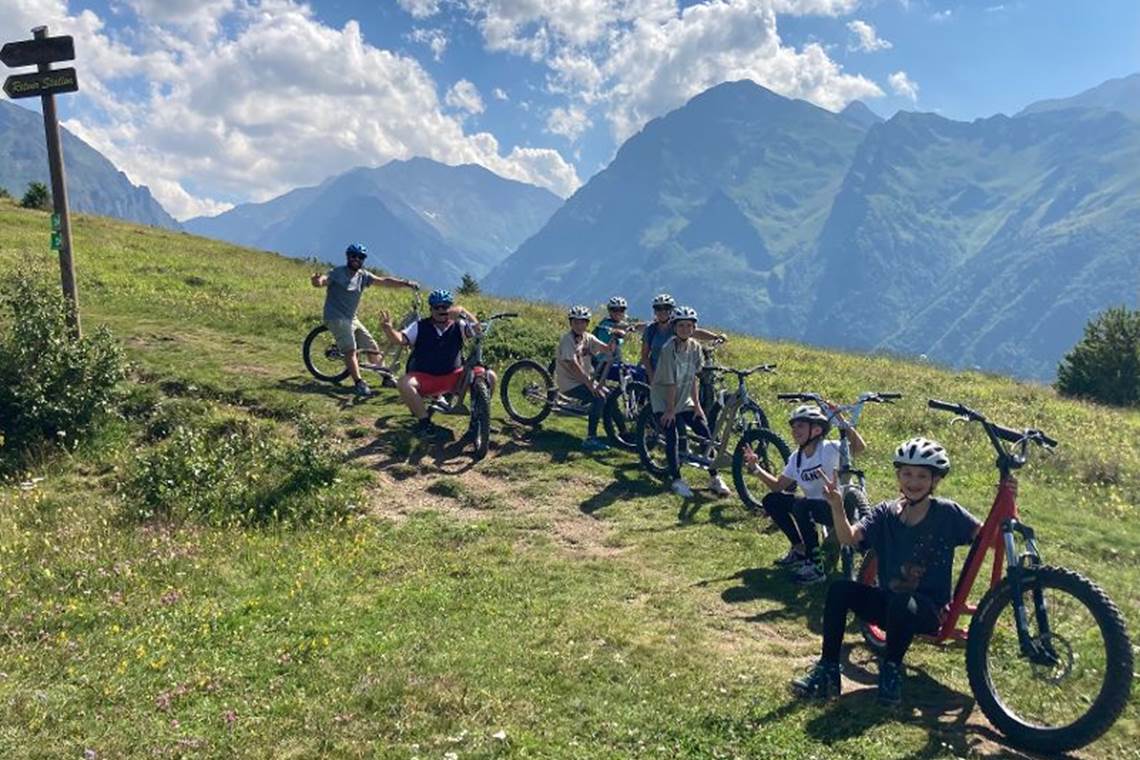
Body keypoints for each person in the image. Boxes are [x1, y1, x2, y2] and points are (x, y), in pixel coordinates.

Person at [790, 438, 983, 706]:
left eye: (922, 476)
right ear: (898, 476)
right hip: (888, 604)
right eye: (907, 474)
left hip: (926, 611)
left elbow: (988, 538)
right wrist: (836, 505)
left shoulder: (947, 513)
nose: (913, 482)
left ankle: (891, 671)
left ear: (935, 481)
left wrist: (1009, 506)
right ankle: (828, 669)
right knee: (839, 590)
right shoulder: (885, 512)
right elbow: (849, 538)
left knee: (903, 603)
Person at [742, 404, 864, 584]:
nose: (794, 430)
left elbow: (859, 447)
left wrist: (840, 419)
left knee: (802, 505)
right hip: (812, 507)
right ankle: (800, 550)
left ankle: (816, 566)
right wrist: (755, 468)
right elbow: (777, 486)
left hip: (838, 509)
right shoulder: (796, 458)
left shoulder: (829, 448)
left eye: (800, 425)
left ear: (816, 429)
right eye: (793, 426)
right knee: (772, 500)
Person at [310, 243, 418, 397]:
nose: (356, 259)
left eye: (360, 257)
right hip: (336, 317)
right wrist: (316, 280)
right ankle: (359, 383)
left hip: (351, 318)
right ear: (348, 256)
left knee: (371, 346)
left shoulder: (363, 276)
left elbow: (384, 281)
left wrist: (406, 283)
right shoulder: (337, 273)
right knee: (350, 349)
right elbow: (322, 281)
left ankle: (386, 377)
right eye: (353, 256)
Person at [379, 289, 488, 440]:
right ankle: (425, 423)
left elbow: (477, 330)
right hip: (426, 379)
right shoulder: (419, 326)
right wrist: (389, 330)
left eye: (445, 306)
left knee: (490, 377)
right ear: (431, 309)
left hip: (455, 377)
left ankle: (479, 423)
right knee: (404, 383)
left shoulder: (459, 326)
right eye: (437, 307)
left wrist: (464, 311)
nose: (441, 310)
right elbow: (401, 340)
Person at [649, 306, 732, 498]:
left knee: (705, 433)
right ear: (674, 327)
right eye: (681, 325)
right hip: (664, 399)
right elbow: (669, 382)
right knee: (672, 435)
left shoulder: (695, 347)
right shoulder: (669, 349)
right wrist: (670, 411)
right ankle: (676, 479)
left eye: (689, 325)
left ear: (694, 328)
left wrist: (696, 405)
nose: (685, 329)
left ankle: (714, 477)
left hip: (684, 399)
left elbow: (693, 377)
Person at [555, 305, 616, 452]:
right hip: (569, 383)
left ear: (587, 324)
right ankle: (590, 439)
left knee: (610, 396)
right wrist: (591, 385)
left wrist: (615, 336)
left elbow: (607, 349)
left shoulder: (588, 337)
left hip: (585, 379)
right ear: (571, 323)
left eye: (582, 322)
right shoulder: (567, 340)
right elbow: (574, 366)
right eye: (576, 322)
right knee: (599, 398)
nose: (579, 325)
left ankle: (619, 434)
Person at [640, 294, 726, 383]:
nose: (663, 311)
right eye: (659, 308)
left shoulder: (678, 327)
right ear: (655, 311)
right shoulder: (650, 330)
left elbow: (696, 332)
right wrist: (652, 376)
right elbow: (645, 356)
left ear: (672, 310)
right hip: (657, 372)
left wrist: (715, 336)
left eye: (666, 308)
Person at [592, 296, 644, 383]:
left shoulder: (619, 323)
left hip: (614, 363)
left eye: (621, 310)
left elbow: (631, 326)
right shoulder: (604, 325)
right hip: (601, 365)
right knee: (636, 376)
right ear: (609, 311)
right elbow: (616, 328)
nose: (618, 312)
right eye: (614, 309)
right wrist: (625, 332)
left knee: (641, 372)